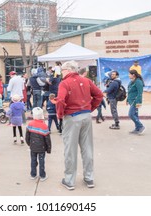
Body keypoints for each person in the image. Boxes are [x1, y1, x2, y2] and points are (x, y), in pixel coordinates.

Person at [56, 60, 103, 190]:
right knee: (87, 147)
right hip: (86, 116)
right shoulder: (86, 81)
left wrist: (60, 115)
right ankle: (89, 177)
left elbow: (60, 100)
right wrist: (90, 108)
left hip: (72, 117)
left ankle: (70, 180)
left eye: (63, 70)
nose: (61, 73)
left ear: (69, 70)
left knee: (70, 149)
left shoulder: (65, 83)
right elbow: (99, 95)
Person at [25, 107, 52, 182]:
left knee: (33, 160)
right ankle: (42, 175)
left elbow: (27, 136)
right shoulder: (44, 126)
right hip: (42, 148)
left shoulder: (30, 124)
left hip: (33, 146)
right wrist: (48, 149)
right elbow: (47, 139)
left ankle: (33, 175)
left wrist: (29, 144)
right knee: (41, 161)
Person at [127, 70, 145, 134]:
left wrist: (137, 102)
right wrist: (127, 100)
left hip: (136, 101)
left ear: (133, 75)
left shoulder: (138, 82)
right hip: (131, 101)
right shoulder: (132, 82)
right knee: (135, 115)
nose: (128, 75)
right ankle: (137, 128)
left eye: (129, 74)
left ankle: (140, 126)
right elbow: (129, 91)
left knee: (131, 114)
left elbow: (140, 93)